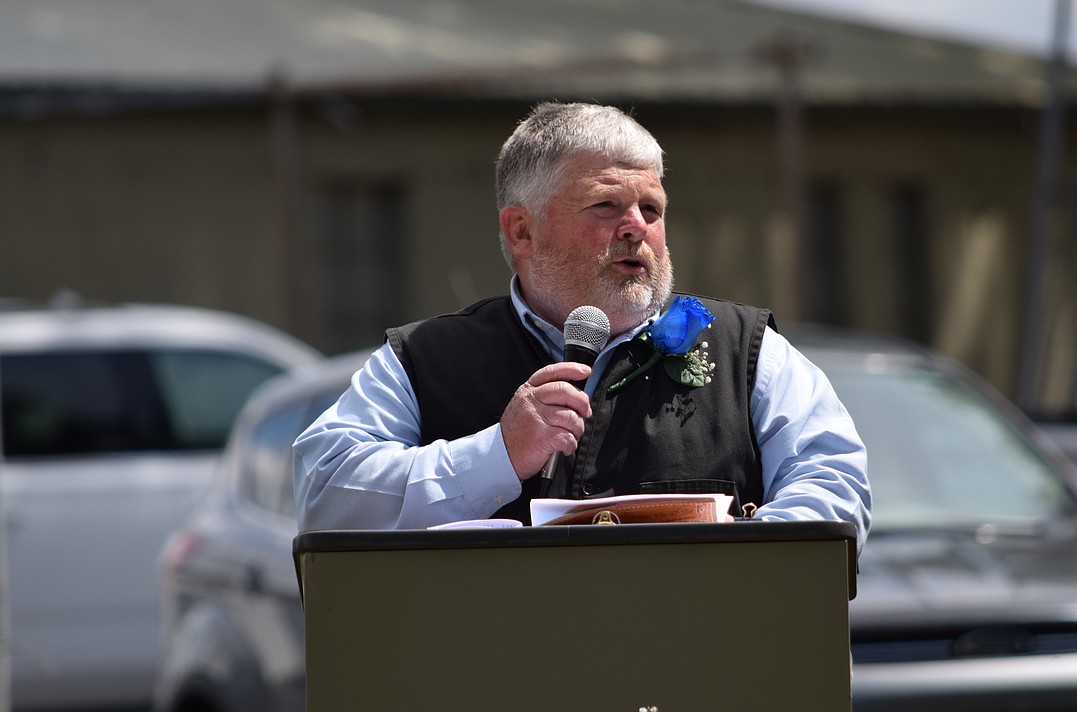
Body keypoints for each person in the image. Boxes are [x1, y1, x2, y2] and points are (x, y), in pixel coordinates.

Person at [293, 101, 871, 545]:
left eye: (652, 209)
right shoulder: (424, 358)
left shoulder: (745, 351)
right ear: (521, 231)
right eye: (606, 206)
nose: (637, 227)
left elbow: (835, 481)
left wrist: (735, 559)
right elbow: (325, 492)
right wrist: (497, 454)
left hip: (696, 679)